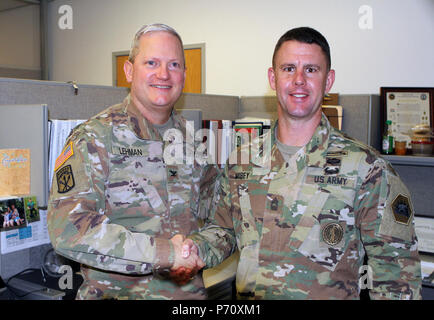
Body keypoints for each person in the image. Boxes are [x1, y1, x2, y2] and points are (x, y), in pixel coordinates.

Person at [179, 27, 422, 299]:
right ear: (273, 77)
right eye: (288, 68)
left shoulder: (367, 169)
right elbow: (224, 230)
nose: (298, 80)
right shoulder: (240, 161)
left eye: (311, 70)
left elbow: (397, 278)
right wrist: (195, 249)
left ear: (328, 81)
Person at [47, 23, 211, 300]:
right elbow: (69, 229)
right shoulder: (94, 138)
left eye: (174, 64)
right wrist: (168, 254)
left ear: (184, 73)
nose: (163, 74)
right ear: (129, 70)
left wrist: (201, 250)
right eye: (151, 62)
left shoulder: (194, 143)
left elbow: (219, 217)